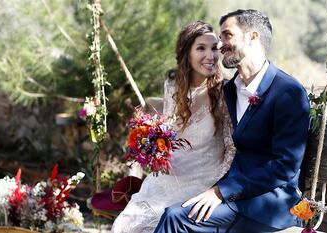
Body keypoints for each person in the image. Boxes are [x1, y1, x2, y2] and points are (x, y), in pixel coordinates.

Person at [154, 9, 310, 232]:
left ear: (252, 37)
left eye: (227, 35)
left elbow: (284, 167)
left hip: (269, 204)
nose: (219, 45)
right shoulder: (231, 90)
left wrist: (221, 192)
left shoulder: (288, 92)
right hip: (233, 194)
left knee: (175, 218)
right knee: (172, 207)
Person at [111, 21, 235, 233]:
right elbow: (167, 120)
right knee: (124, 226)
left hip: (203, 180)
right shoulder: (173, 83)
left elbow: (232, 147)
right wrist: (151, 143)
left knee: (160, 224)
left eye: (214, 48)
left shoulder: (226, 93)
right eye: (201, 48)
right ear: (186, 53)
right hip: (167, 176)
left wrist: (219, 190)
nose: (211, 55)